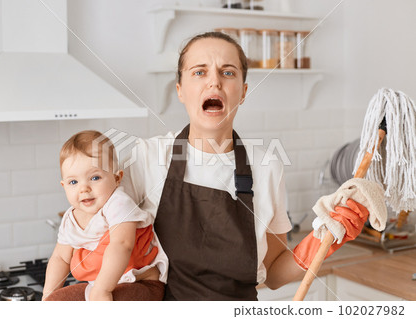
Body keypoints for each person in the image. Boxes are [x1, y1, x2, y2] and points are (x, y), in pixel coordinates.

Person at [119, 32, 371, 300]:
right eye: (199, 72)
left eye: (228, 73)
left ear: (243, 92)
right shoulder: (145, 158)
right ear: (180, 89)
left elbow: (273, 273)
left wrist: (325, 238)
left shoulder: (267, 166)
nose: (214, 82)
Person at [42, 130, 167, 301]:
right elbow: (60, 258)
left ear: (117, 178)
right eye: (73, 182)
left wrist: (102, 290)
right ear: (64, 186)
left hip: (141, 283)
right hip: (98, 287)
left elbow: (122, 244)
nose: (84, 188)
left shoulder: (118, 203)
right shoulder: (70, 219)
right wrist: (47, 294)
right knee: (56, 301)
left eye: (95, 177)